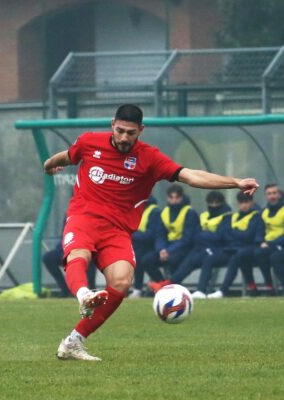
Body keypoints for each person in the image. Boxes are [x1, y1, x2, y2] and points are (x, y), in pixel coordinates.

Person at [42, 104, 259, 361]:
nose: (124, 137)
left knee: (122, 282)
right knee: (79, 253)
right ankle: (83, 295)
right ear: (112, 124)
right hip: (83, 218)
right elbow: (67, 156)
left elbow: (190, 176)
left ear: (141, 131)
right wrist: (48, 165)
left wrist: (234, 182)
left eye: (130, 133)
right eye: (120, 130)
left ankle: (73, 342)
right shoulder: (90, 142)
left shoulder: (150, 158)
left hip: (118, 230)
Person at [148, 191, 232, 298]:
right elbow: (196, 235)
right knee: (191, 259)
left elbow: (220, 237)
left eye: (216, 203)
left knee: (207, 259)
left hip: (220, 249)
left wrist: (204, 236)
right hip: (202, 247)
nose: (214, 206)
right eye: (211, 203)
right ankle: (169, 285)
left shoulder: (227, 216)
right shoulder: (204, 215)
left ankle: (201, 290)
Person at [242, 184, 284, 295]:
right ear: (265, 196)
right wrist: (261, 241)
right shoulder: (264, 211)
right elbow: (259, 231)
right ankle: (254, 288)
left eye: (274, 193)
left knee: (267, 255)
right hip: (267, 244)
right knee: (242, 255)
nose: (272, 196)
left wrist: (271, 243)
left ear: (279, 194)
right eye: (269, 193)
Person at [207, 192, 265, 298]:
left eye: (246, 202)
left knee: (237, 258)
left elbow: (249, 236)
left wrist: (234, 233)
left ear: (252, 202)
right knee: (210, 258)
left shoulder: (256, 216)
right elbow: (225, 234)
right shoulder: (233, 216)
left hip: (250, 248)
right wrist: (238, 234)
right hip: (233, 248)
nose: (244, 205)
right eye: (241, 202)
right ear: (238, 204)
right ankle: (203, 290)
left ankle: (223, 291)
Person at [145, 185, 199, 292]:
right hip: (167, 247)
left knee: (173, 259)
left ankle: (169, 287)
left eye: (177, 197)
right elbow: (160, 234)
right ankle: (164, 286)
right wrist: (161, 250)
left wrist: (169, 251)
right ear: (167, 198)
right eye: (171, 197)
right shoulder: (164, 212)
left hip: (184, 248)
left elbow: (187, 238)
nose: (174, 200)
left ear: (181, 197)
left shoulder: (189, 212)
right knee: (146, 260)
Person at [128, 196, 166, 298]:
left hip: (153, 246)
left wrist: (133, 234)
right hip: (140, 244)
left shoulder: (154, 211)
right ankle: (137, 289)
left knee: (144, 259)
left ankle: (163, 285)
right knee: (135, 257)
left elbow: (152, 234)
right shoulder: (134, 209)